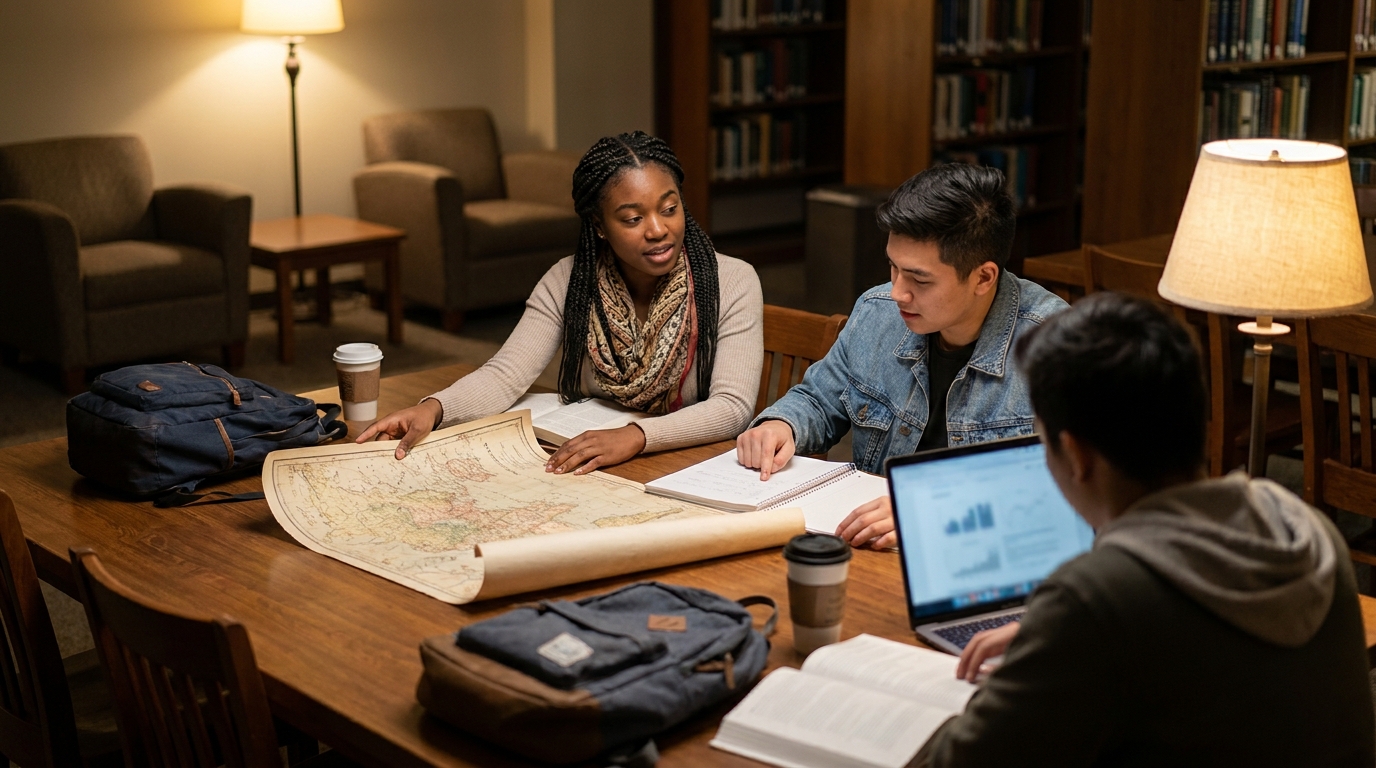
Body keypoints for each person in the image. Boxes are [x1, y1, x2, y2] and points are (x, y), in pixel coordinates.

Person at [914, 293, 1374, 766]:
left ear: (1076, 455)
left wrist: (1059, 642)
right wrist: (1052, 642)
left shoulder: (1095, 597)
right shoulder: (1307, 530)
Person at [358, 132, 763, 472]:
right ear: (599, 226)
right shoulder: (569, 280)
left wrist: (635, 436)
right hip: (596, 461)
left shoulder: (732, 281)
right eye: (633, 219)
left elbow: (732, 407)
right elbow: (506, 374)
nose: (658, 229)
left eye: (669, 209)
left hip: (687, 464)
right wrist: (433, 409)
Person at [736, 163, 1067, 548]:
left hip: (984, 551)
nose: (897, 292)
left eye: (919, 279)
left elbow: (1070, 488)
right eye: (893, 268)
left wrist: (934, 507)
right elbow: (818, 399)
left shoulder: (1056, 348)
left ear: (983, 277)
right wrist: (782, 425)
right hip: (874, 546)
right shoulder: (878, 312)